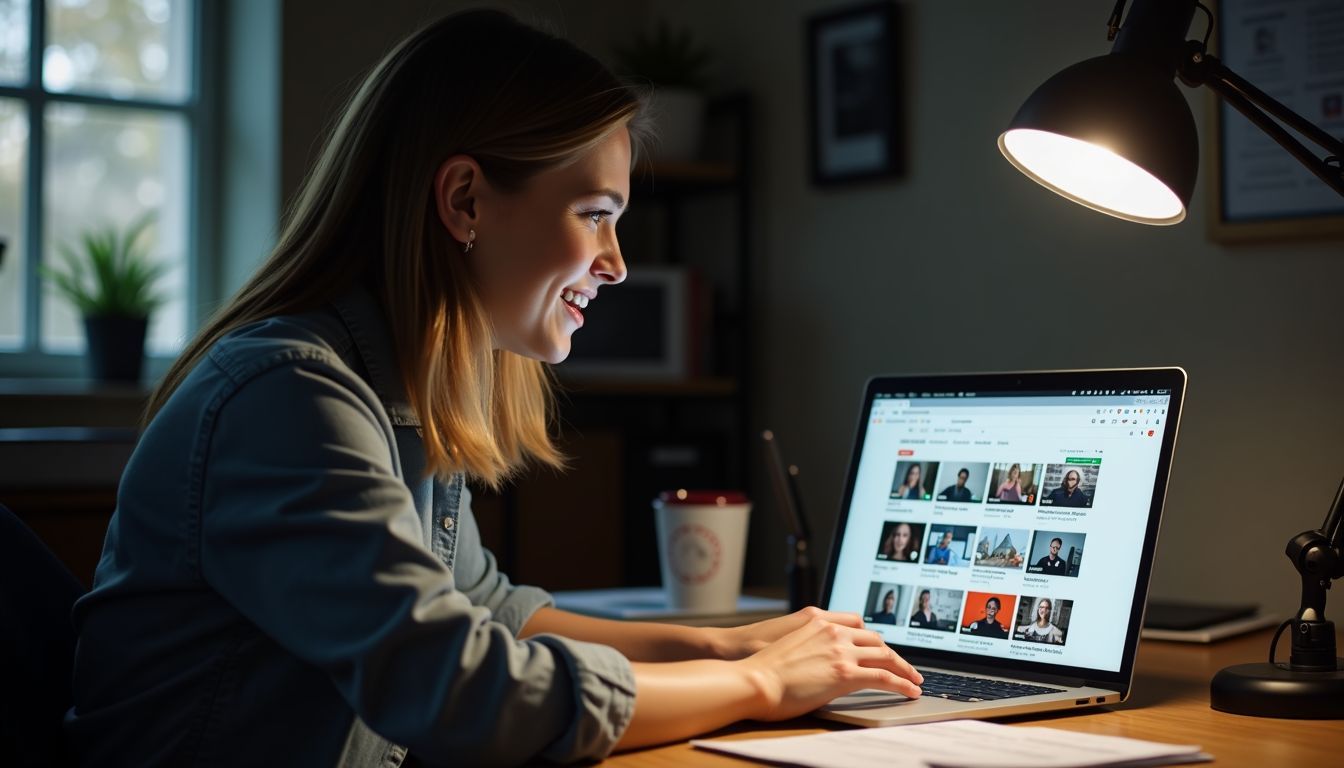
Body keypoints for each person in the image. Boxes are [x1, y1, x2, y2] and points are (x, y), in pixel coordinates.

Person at [63, 11, 923, 766]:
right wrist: (764, 683)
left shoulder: (391, 390)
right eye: (595, 214)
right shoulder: (289, 398)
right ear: (467, 200)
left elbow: (490, 613)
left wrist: (726, 643)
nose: (617, 263)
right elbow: (464, 690)